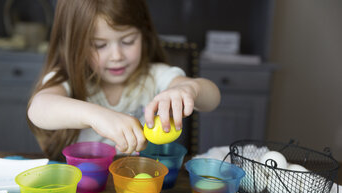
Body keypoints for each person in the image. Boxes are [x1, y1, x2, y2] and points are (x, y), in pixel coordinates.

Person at [27, 0, 221, 160]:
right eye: (99, 45)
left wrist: (189, 89)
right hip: (82, 192)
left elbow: (212, 98)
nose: (116, 56)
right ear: (75, 44)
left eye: (127, 41)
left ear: (144, 34)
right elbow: (39, 108)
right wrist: (97, 116)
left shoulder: (153, 76)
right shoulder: (69, 78)